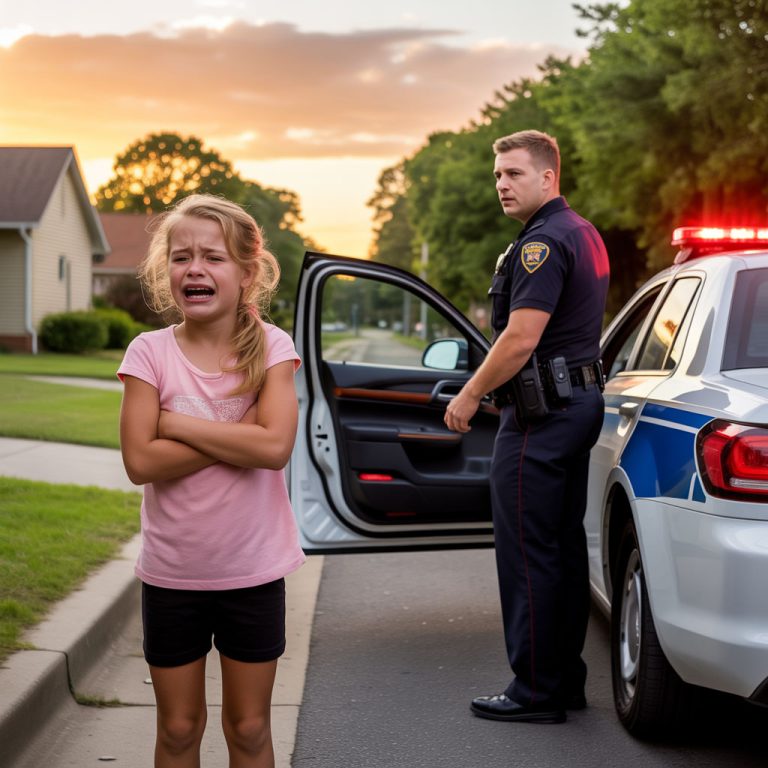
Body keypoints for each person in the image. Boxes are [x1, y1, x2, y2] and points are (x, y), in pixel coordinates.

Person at [117, 194, 305, 767]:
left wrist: (173, 424)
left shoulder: (272, 347)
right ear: (166, 270)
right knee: (178, 730)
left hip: (253, 571)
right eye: (181, 257)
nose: (194, 268)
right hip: (173, 575)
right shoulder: (148, 353)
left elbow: (273, 448)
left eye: (212, 257)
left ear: (247, 273)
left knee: (248, 728)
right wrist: (238, 432)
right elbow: (140, 462)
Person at [444, 130, 609, 724]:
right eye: (497, 175)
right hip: (574, 405)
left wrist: (470, 393)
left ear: (547, 177)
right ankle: (563, 681)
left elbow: (519, 338)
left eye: (513, 173)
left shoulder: (541, 243)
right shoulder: (581, 231)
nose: (502, 184)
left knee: (528, 553)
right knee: (560, 548)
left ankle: (535, 690)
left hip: (542, 417)